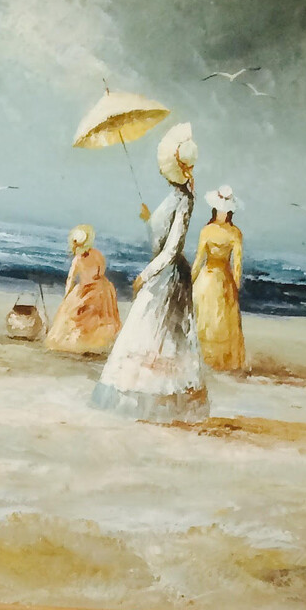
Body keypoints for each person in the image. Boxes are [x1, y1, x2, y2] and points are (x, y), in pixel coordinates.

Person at [90, 123, 208, 424]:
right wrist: (148, 219)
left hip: (169, 278)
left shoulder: (185, 200)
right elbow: (159, 238)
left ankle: (163, 404)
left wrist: (145, 275)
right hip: (162, 273)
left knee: (162, 335)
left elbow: (171, 250)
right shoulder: (174, 196)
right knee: (147, 334)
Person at [192, 186, 248, 373]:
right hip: (212, 280)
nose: (223, 213)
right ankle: (210, 360)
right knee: (210, 321)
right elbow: (199, 260)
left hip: (216, 280)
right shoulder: (231, 232)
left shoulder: (211, 231)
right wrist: (189, 282)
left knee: (214, 321)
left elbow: (237, 264)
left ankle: (214, 361)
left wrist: (235, 286)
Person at [44, 225, 120, 356]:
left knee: (75, 316)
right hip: (102, 288)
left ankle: (82, 345)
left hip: (85, 289)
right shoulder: (97, 254)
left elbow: (70, 279)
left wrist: (67, 296)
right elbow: (101, 271)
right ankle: (94, 345)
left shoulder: (77, 260)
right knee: (98, 319)